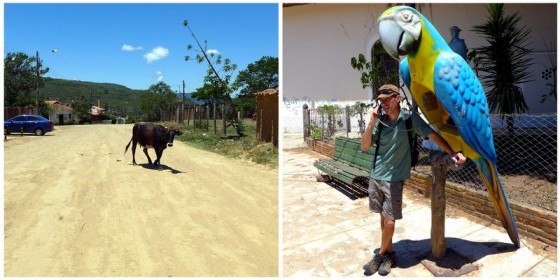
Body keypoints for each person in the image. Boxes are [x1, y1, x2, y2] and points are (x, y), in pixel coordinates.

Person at [360, 84, 466, 276]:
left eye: (387, 99)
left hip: (394, 178)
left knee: (390, 221)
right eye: (380, 100)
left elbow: (434, 136)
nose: (383, 103)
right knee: (383, 218)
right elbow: (365, 146)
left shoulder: (410, 120)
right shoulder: (380, 121)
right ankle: (389, 255)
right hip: (376, 175)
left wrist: (453, 152)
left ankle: (380, 254)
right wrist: (371, 123)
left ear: (397, 99)